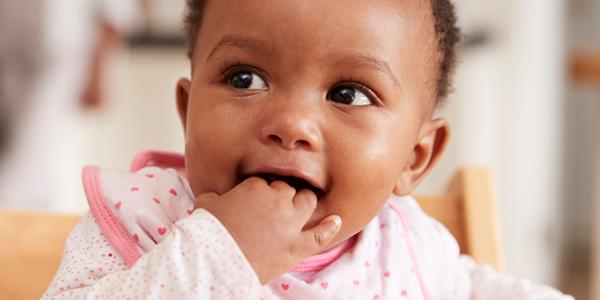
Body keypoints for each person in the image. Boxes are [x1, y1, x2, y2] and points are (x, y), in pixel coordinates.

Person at [43, 0, 572, 298]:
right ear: (187, 112)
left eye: (349, 94)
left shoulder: (408, 247)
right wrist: (221, 251)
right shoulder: (140, 220)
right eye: (244, 78)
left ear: (414, 159)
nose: (290, 124)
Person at [0, 0, 139, 211]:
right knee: (35, 158)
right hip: (13, 52)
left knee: (29, 153)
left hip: (59, 56)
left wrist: (99, 70)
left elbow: (115, 12)